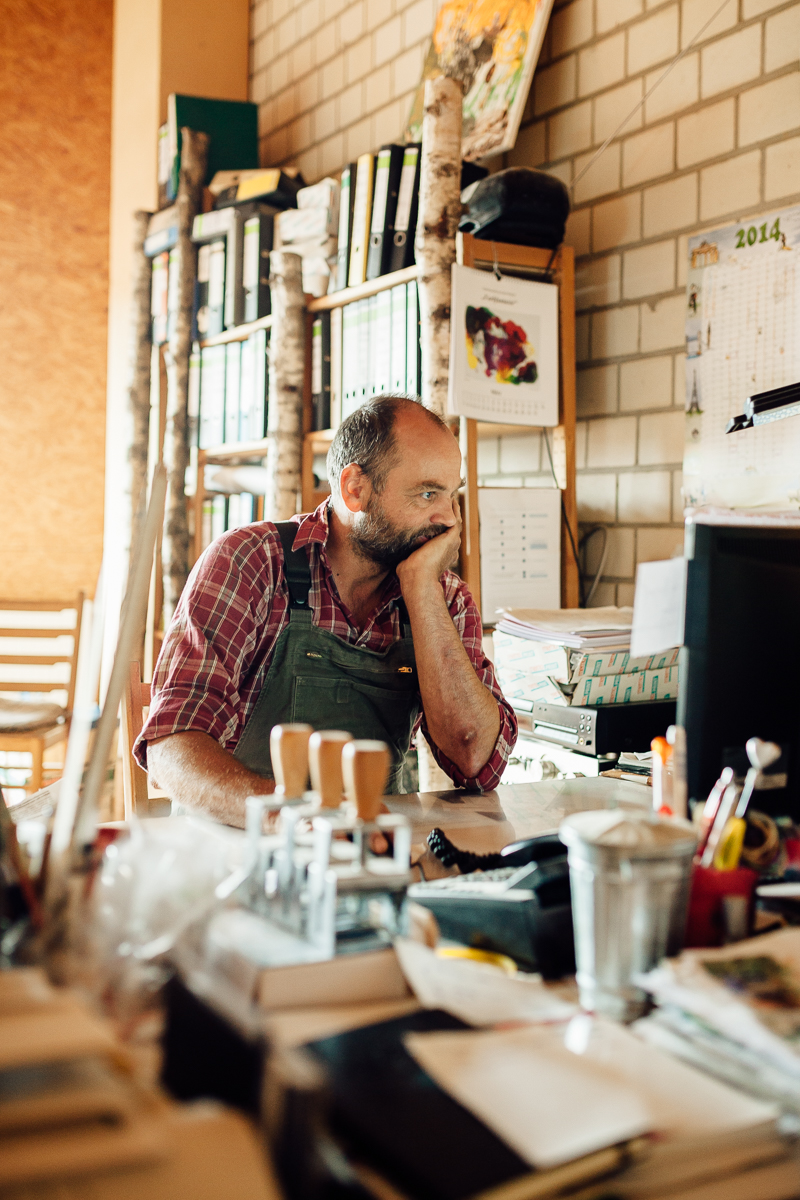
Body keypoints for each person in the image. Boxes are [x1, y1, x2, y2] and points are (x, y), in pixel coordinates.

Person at [134, 394, 517, 826]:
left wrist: (420, 588)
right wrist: (298, 821)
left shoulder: (442, 597)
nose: (448, 520)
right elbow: (172, 746)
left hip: (366, 851)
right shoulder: (250, 561)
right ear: (355, 489)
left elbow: (475, 760)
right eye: (427, 493)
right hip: (234, 849)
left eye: (452, 495)